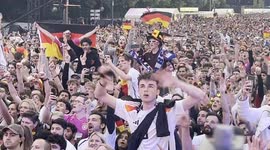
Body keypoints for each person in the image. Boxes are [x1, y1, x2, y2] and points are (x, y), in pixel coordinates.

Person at [95, 67, 208, 149]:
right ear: (138, 91)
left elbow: (199, 95)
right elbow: (100, 95)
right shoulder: (130, 108)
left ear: (157, 91)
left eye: (151, 86)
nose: (146, 89)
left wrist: (177, 83)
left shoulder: (168, 108)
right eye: (142, 86)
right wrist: (103, 81)